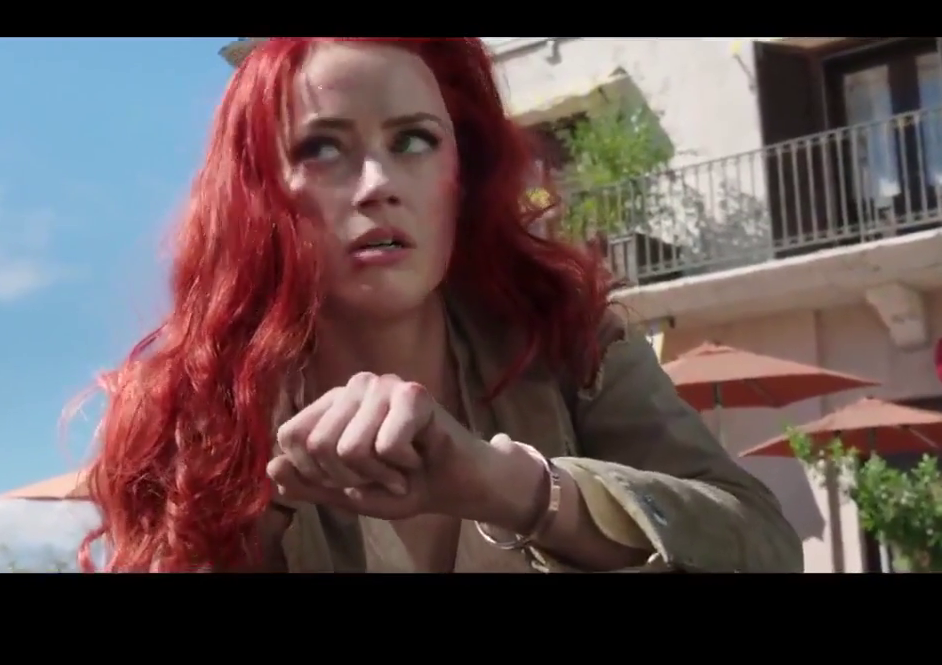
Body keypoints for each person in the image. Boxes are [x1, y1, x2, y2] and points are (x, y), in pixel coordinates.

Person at [76, 37, 804, 573]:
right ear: (260, 193)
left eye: (414, 140)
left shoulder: (568, 344)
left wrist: (511, 488)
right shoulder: (197, 408)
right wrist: (257, 516)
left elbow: (764, 545)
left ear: (463, 174)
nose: (377, 185)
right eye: (322, 148)